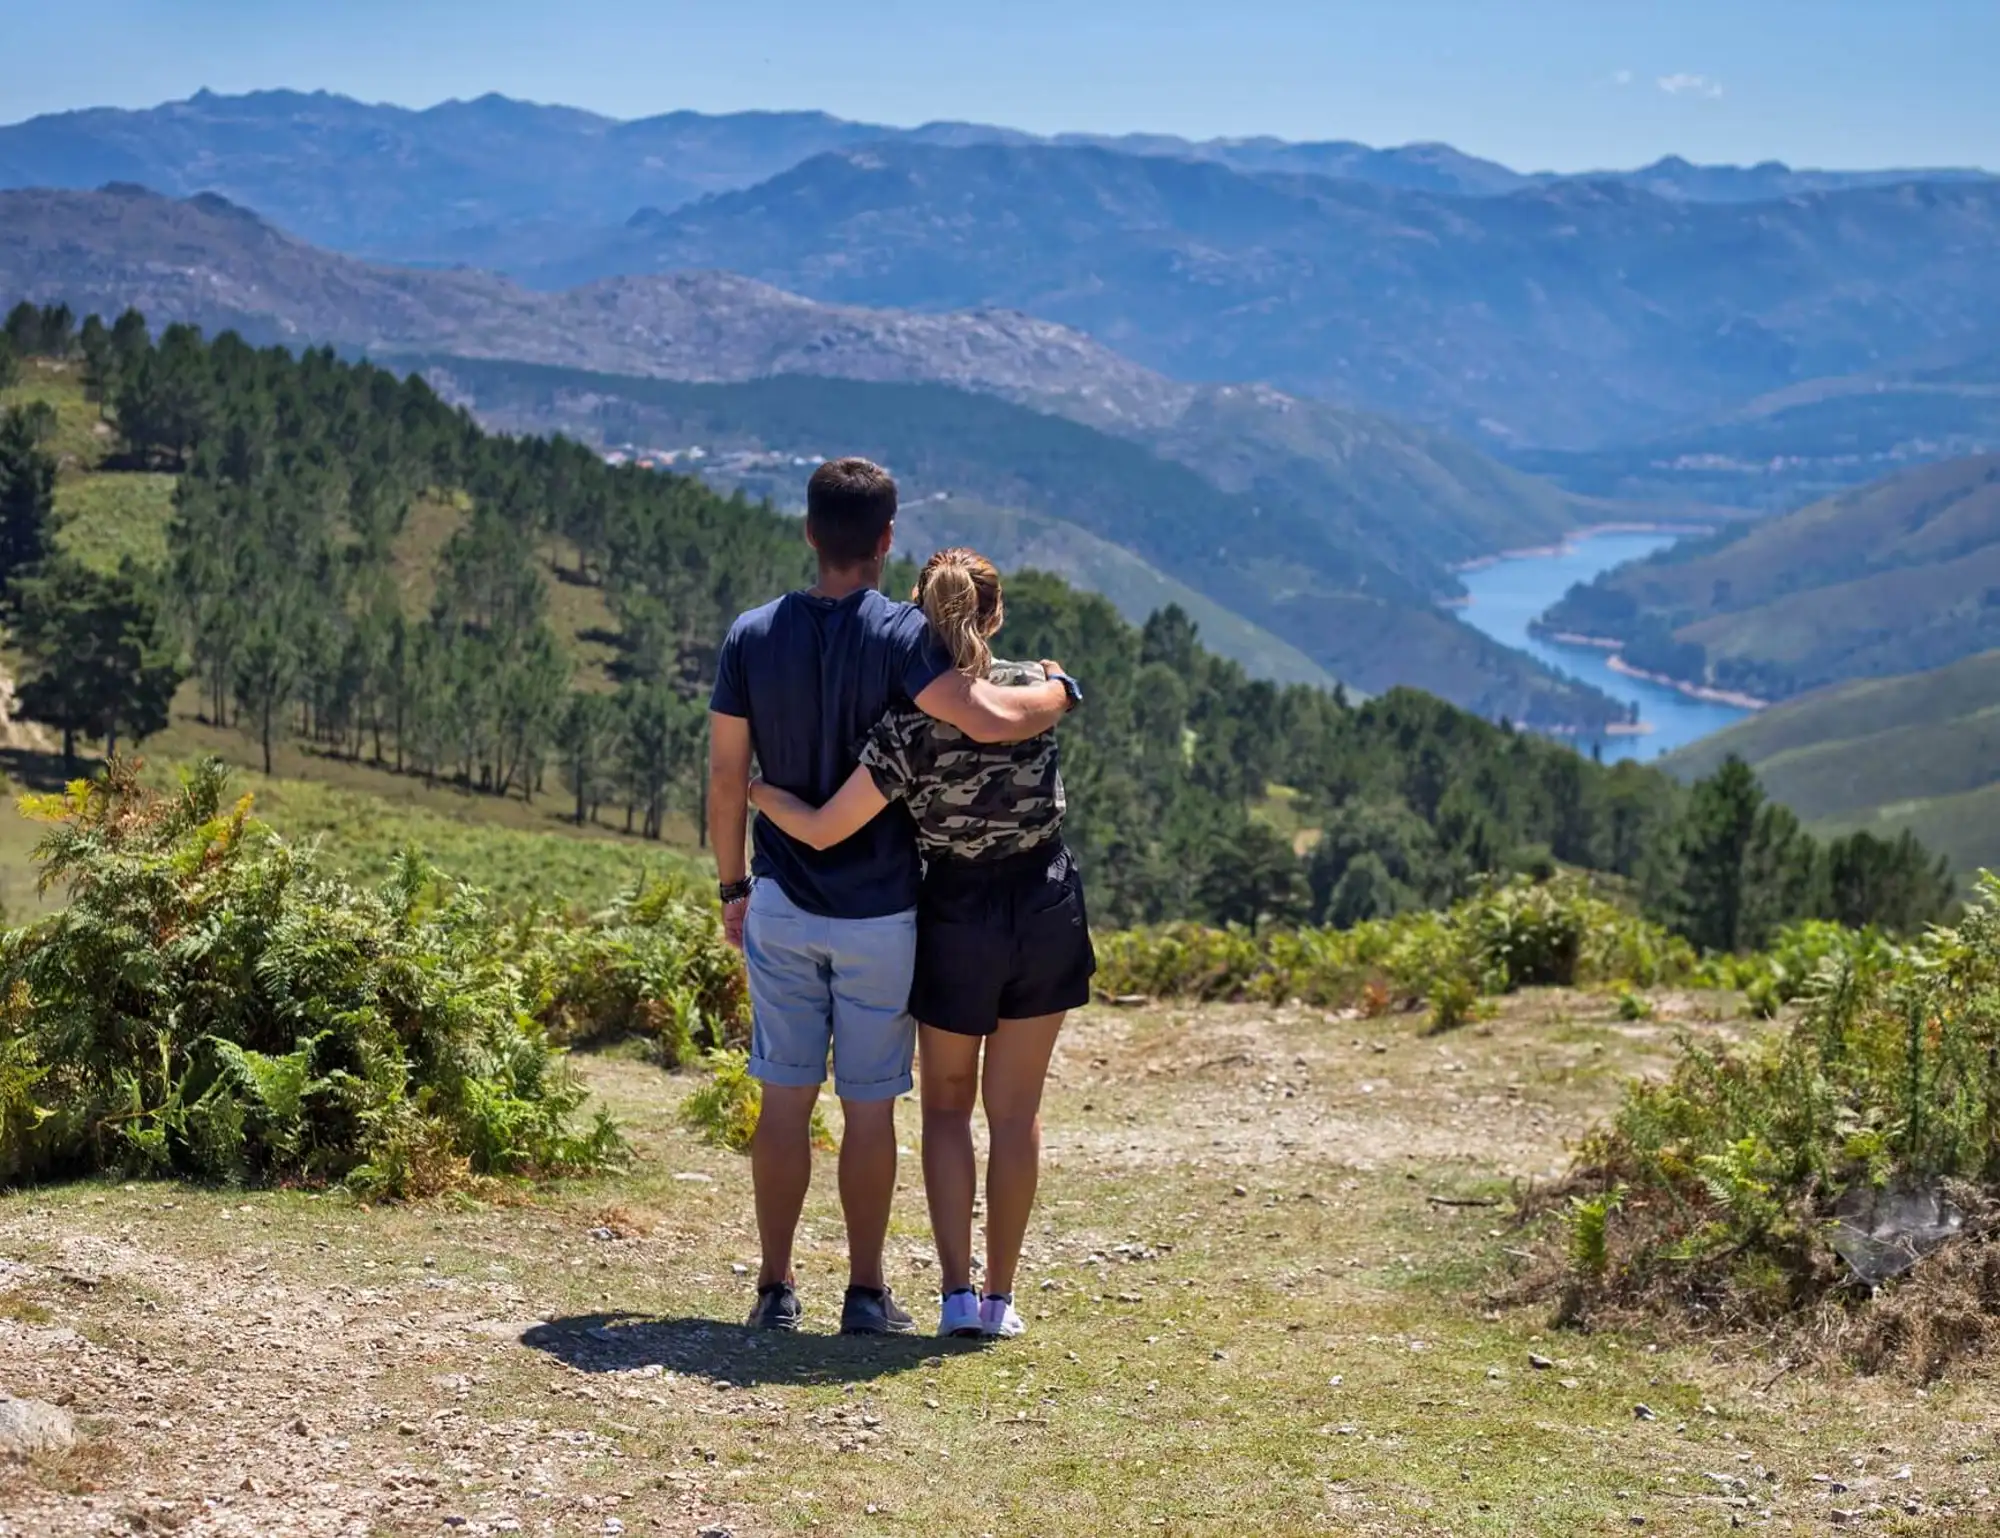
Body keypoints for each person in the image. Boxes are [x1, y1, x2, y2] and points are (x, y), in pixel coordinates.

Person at [707, 459, 1075, 1336]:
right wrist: (1061, 690)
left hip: (784, 901)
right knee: (871, 1106)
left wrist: (733, 882)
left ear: (807, 532)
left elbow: (726, 777)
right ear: (884, 540)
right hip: (884, 911)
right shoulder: (908, 636)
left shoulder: (749, 637)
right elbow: (983, 716)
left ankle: (774, 1285)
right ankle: (868, 1292)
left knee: (783, 1099)